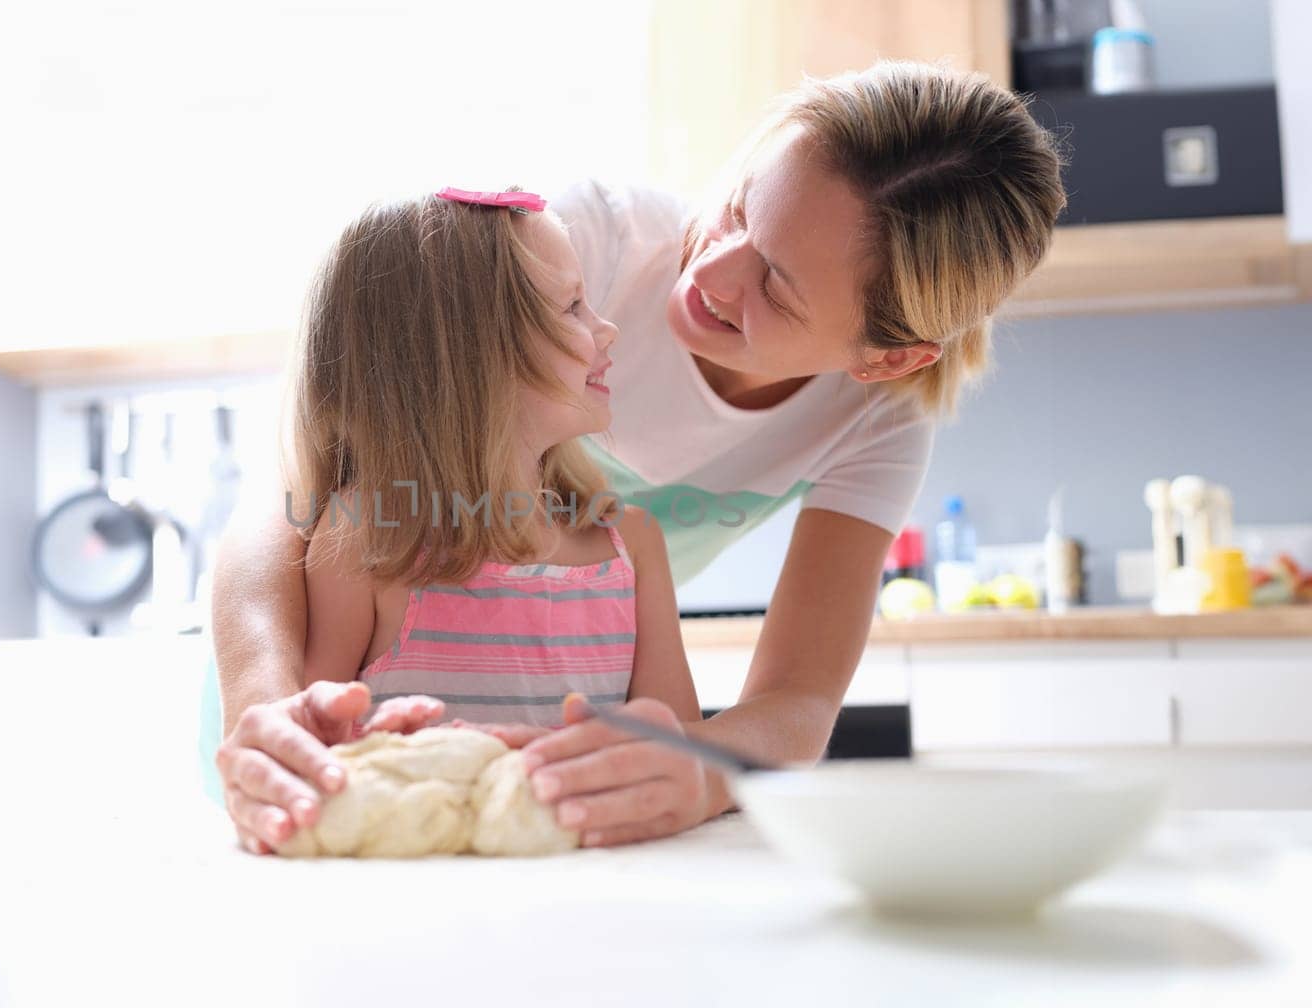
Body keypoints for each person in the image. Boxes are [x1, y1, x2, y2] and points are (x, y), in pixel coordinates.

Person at [207, 61, 1066, 852]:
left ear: (886, 357)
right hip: (288, 708)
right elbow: (293, 498)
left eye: (777, 286)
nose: (712, 272)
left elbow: (797, 701)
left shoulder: (877, 419)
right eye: (738, 205)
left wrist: (697, 769)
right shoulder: (582, 241)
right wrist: (267, 708)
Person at [217, 186, 703, 853]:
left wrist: (651, 745)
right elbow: (311, 755)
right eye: (572, 307)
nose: (606, 327)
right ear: (468, 356)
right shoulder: (363, 543)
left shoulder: (631, 547)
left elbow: (678, 761)